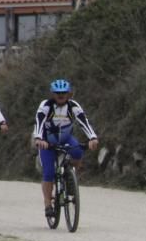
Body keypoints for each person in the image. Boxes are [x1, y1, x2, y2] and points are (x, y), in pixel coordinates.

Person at [32, 79, 98, 219]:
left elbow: (83, 122)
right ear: (53, 94)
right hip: (46, 141)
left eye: (63, 93)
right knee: (48, 172)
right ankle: (48, 204)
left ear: (68, 94)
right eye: (57, 93)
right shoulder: (46, 105)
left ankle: (70, 176)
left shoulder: (73, 106)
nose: (61, 96)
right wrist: (38, 138)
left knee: (78, 150)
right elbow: (39, 121)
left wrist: (92, 137)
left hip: (66, 138)